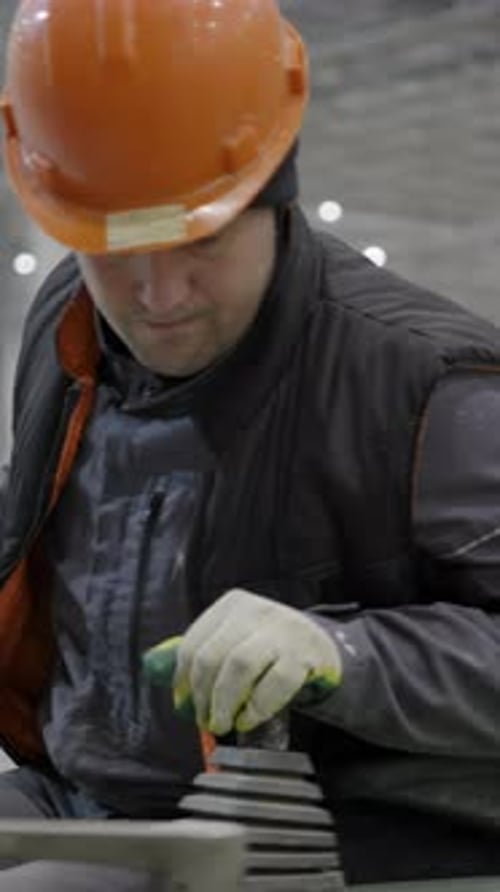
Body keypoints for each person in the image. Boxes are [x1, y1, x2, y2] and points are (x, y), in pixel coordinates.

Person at [1, 0, 500, 889]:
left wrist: (344, 653)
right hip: (77, 794)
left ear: (275, 188)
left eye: (198, 240)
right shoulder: (67, 326)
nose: (156, 294)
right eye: (114, 248)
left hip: (317, 834)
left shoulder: (424, 385)